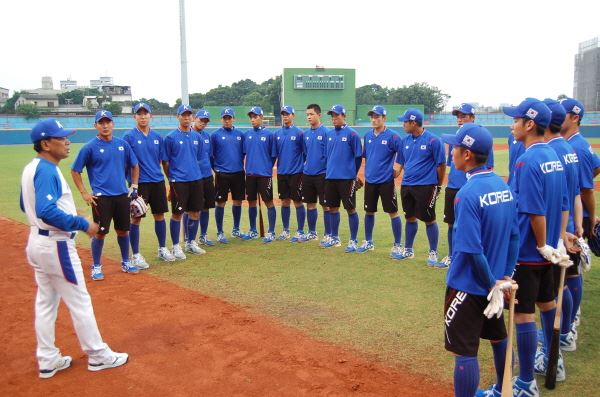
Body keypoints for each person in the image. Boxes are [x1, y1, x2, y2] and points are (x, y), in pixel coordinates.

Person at [22, 119, 128, 378]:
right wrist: (81, 223)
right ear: (46, 144)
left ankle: (47, 359)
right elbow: (46, 211)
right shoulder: (47, 170)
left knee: (46, 303)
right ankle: (98, 354)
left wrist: (65, 214)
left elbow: (28, 207)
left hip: (37, 242)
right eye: (61, 137)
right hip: (55, 244)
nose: (67, 141)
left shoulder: (32, 168)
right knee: (79, 300)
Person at [441, 123, 518, 397]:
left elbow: (472, 251)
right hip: (494, 281)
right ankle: (501, 389)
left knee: (464, 350)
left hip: (469, 285)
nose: (451, 153)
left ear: (468, 155)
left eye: (456, 148)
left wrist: (492, 286)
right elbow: (513, 237)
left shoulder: (466, 194)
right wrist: (505, 277)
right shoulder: (504, 187)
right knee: (498, 337)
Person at [503, 98, 570, 396]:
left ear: (529, 124)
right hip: (547, 253)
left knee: (522, 314)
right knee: (547, 303)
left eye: (516, 120)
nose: (512, 125)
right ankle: (553, 362)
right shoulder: (554, 155)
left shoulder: (527, 160)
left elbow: (534, 211)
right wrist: (556, 241)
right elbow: (565, 203)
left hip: (530, 251)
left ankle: (526, 382)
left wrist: (543, 243)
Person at [531, 98, 582, 382]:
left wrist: (556, 237)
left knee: (540, 303)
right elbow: (571, 196)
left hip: (546, 240)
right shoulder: (564, 150)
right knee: (556, 293)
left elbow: (536, 206)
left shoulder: (548, 153)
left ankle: (560, 340)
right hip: (560, 233)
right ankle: (564, 336)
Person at [71, 110, 140, 281]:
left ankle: (125, 262)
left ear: (113, 124)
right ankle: (96, 266)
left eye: (107, 122)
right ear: (95, 126)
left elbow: (135, 165)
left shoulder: (122, 144)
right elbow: (75, 170)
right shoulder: (89, 147)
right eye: (101, 122)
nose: (105, 125)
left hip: (122, 196)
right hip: (101, 198)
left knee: (123, 231)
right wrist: (84, 193)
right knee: (100, 233)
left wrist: (134, 185)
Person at [560, 97, 600, 345]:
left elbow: (586, 189)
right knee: (568, 271)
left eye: (562, 113)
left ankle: (571, 322)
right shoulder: (574, 144)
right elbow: (596, 166)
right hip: (574, 213)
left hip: (578, 218)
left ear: (574, 118)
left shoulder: (577, 147)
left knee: (572, 271)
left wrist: (590, 219)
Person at [442, 103, 494, 268]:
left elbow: (488, 166)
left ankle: (469, 259)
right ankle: (452, 256)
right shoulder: (456, 138)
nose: (460, 119)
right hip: (453, 186)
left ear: (472, 117)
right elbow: (452, 164)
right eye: (458, 116)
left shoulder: (481, 138)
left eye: (463, 116)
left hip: (471, 188)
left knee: (471, 225)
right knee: (451, 223)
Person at [123, 102, 176, 265]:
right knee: (136, 218)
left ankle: (162, 248)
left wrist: (169, 181)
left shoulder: (157, 138)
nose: (143, 116)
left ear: (151, 116)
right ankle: (136, 255)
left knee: (159, 216)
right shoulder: (128, 137)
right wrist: (132, 184)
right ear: (135, 117)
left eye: (146, 113)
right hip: (140, 184)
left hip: (157, 181)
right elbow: (125, 163)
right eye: (139, 113)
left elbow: (163, 162)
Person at [394, 108, 446, 266]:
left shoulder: (433, 141)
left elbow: (441, 165)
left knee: (429, 219)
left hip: (426, 186)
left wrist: (437, 185)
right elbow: (400, 164)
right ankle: (408, 250)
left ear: (414, 123)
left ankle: (433, 252)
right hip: (407, 185)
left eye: (405, 121)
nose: (403, 124)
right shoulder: (405, 141)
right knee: (409, 217)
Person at [356, 105, 403, 258]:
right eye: (372, 117)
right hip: (371, 181)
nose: (374, 119)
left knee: (393, 212)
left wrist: (397, 170)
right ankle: (368, 242)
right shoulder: (368, 136)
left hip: (386, 181)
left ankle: (397, 245)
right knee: (369, 211)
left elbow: (402, 153)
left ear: (384, 118)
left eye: (377, 117)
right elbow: (366, 156)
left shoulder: (393, 136)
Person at [163, 104, 206, 259]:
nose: (187, 117)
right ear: (178, 117)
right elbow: (165, 162)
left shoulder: (197, 137)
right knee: (177, 213)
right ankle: (175, 246)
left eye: (189, 115)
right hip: (178, 181)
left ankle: (191, 242)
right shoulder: (170, 137)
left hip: (196, 179)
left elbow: (199, 158)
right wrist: (172, 179)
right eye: (183, 115)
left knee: (195, 212)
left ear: (192, 117)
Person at [321, 104, 363, 251]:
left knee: (350, 209)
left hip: (346, 178)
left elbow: (358, 157)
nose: (334, 118)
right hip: (331, 177)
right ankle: (334, 237)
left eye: (337, 115)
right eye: (332, 116)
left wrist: (353, 174)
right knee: (333, 208)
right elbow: (327, 156)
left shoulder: (352, 135)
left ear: (344, 116)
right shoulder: (329, 135)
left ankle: (353, 240)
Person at [211, 107, 246, 243]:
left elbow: (243, 153)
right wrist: (216, 169)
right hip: (222, 174)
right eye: (224, 118)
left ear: (233, 119)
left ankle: (236, 229)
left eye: (229, 118)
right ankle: (220, 232)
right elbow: (210, 155)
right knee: (220, 202)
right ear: (221, 119)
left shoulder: (240, 135)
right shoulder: (215, 135)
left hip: (238, 172)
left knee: (238, 200)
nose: (227, 120)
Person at [243, 106, 278, 242]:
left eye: (255, 116)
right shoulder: (247, 135)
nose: (253, 119)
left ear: (261, 117)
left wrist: (267, 168)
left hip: (264, 175)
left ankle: (271, 232)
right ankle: (253, 230)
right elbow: (244, 153)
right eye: (251, 117)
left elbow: (273, 155)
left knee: (268, 202)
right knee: (251, 202)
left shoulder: (269, 135)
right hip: (250, 175)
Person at [273, 105, 306, 242]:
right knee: (284, 201)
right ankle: (286, 230)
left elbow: (305, 153)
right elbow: (275, 154)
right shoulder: (277, 134)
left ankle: (300, 231)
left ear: (293, 115)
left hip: (296, 173)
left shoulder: (299, 133)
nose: (285, 116)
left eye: (288, 114)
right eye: (283, 114)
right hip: (282, 173)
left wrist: (301, 168)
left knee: (297, 201)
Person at [301, 103, 330, 243]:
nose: (309, 117)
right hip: (308, 174)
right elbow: (305, 154)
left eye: (311, 114)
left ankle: (328, 234)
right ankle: (312, 232)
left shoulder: (326, 132)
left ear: (319, 115)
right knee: (310, 204)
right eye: (307, 114)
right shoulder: (305, 134)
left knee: (326, 205)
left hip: (322, 174)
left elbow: (329, 155)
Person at [189, 109, 217, 246]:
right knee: (191, 209)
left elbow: (210, 156)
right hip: (193, 177)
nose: (203, 123)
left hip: (206, 175)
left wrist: (213, 172)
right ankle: (189, 238)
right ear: (195, 118)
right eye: (201, 120)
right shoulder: (188, 134)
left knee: (205, 207)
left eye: (206, 121)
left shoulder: (207, 136)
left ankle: (203, 235)